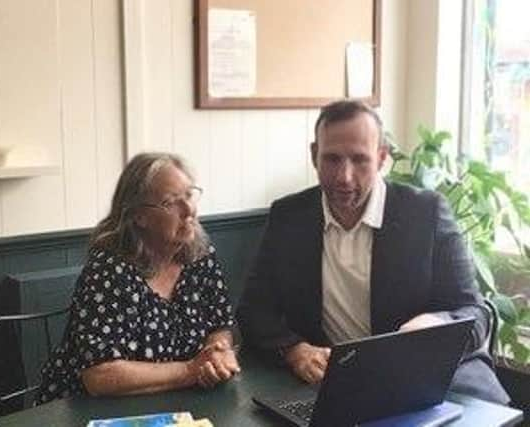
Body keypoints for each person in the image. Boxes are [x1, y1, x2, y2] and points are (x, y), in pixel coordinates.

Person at [237, 100, 510, 404]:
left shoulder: (426, 213)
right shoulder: (290, 216)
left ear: (381, 158)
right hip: (336, 385)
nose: (345, 176)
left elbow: (474, 313)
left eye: (360, 160)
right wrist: (294, 349)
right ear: (314, 156)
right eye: (332, 159)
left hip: (432, 378)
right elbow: (253, 309)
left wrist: (435, 325)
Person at [35, 153, 240, 405]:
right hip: (86, 410)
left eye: (189, 195)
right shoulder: (110, 269)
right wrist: (191, 370)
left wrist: (217, 353)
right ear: (138, 216)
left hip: (175, 403)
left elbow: (219, 324)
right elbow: (100, 375)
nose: (189, 210)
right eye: (170, 202)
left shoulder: (200, 254)